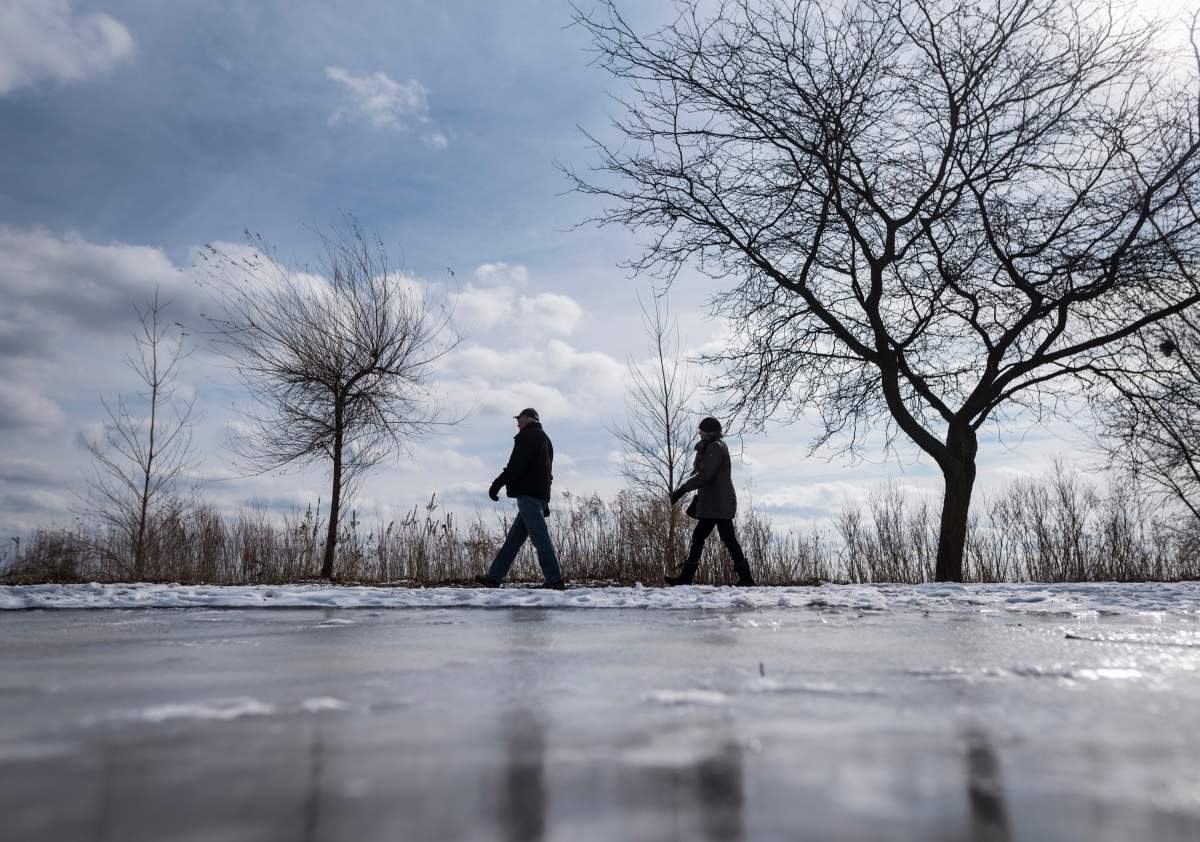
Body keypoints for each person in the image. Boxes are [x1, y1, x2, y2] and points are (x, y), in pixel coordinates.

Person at [475, 408, 565, 590]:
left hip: (529, 496)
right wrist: (545, 500)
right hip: (537, 497)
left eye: (519, 419)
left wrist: (497, 484)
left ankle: (554, 580)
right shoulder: (546, 440)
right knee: (513, 540)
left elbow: (516, 465)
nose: (517, 423)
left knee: (541, 538)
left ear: (527, 419)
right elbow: (547, 474)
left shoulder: (527, 437)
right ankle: (494, 578)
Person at [666, 417, 755, 586]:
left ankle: (686, 578)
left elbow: (706, 475)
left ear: (708, 431)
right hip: (717, 502)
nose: (699, 433)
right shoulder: (713, 446)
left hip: (717, 503)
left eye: (701, 430)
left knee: (700, 536)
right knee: (727, 538)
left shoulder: (715, 447)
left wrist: (682, 489)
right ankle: (746, 578)